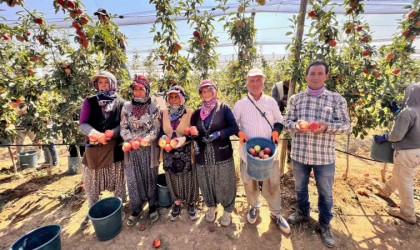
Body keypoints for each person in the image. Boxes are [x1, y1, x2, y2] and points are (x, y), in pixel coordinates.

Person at [284, 61, 351, 248]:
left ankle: (324, 223)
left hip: (324, 156)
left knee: (326, 193)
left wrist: (327, 127)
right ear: (306, 76)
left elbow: (347, 125)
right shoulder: (296, 99)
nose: (315, 77)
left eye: (319, 73)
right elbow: (287, 120)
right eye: (312, 73)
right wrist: (295, 126)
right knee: (300, 188)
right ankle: (303, 212)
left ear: (326, 76)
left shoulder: (336, 99)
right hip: (300, 154)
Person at [233, 68, 290, 234]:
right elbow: (234, 124)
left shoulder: (271, 102)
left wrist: (276, 132)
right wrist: (239, 133)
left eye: (258, 80)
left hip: (269, 153)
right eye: (252, 80)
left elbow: (280, 121)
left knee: (272, 183)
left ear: (263, 82)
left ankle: (276, 213)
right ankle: (253, 206)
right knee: (248, 182)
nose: (255, 83)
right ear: (247, 83)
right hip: (247, 153)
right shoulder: (240, 104)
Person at [78, 71, 126, 229]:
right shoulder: (90, 102)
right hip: (95, 149)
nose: (103, 85)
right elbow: (83, 123)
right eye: (100, 83)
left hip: (114, 149)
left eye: (107, 82)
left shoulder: (121, 103)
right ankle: (94, 210)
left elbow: (124, 124)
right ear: (96, 85)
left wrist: (115, 132)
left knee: (118, 180)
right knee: (92, 182)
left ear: (113, 84)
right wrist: (95, 134)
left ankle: (119, 208)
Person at [190, 79, 239, 227]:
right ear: (200, 94)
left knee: (225, 181)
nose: (207, 94)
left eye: (209, 90)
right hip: (203, 156)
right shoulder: (197, 113)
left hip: (222, 154)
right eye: (203, 91)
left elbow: (234, 128)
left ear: (215, 91)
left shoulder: (223, 109)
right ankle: (211, 206)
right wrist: (193, 134)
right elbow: (193, 133)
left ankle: (228, 210)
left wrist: (219, 134)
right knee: (206, 181)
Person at [373, 82, 420, 225]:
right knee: (401, 173)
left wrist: (385, 137)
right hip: (417, 152)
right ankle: (386, 190)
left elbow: (397, 135)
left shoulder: (408, 112)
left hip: (406, 152)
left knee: (404, 179)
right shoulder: (415, 111)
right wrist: (397, 114)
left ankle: (407, 212)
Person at [120, 74, 160, 226]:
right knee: (133, 179)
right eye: (135, 89)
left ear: (147, 90)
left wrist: (145, 140)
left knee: (150, 177)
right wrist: (131, 140)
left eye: (141, 89)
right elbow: (123, 127)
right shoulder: (126, 106)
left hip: (148, 149)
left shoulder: (153, 107)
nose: (137, 92)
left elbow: (156, 129)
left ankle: (152, 206)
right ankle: (136, 208)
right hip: (131, 149)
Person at [160, 85, 199, 221]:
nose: (174, 99)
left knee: (188, 177)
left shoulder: (190, 112)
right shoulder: (163, 113)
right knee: (172, 177)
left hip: (186, 151)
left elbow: (195, 132)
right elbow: (160, 130)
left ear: (182, 97)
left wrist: (185, 138)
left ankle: (191, 203)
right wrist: (163, 138)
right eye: (171, 97)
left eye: (176, 96)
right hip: (169, 151)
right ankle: (176, 202)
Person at [93, 8, 130, 76]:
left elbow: (122, 46)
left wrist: (120, 58)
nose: (101, 18)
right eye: (99, 17)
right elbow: (97, 46)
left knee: (125, 76)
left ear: (108, 17)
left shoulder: (114, 31)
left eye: (103, 16)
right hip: (109, 60)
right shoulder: (99, 33)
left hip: (118, 59)